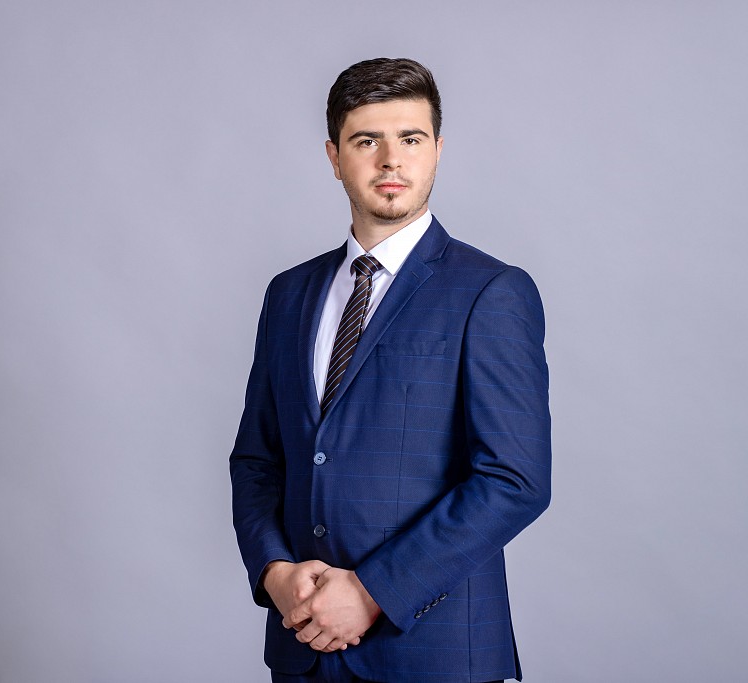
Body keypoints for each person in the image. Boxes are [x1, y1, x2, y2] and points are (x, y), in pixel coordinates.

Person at [229, 58, 551, 683]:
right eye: (365, 141)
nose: (390, 160)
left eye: (410, 138)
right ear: (333, 156)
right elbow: (258, 460)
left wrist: (373, 591)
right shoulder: (288, 294)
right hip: (303, 649)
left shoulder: (490, 292)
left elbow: (514, 479)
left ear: (437, 151)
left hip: (432, 653)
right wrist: (274, 572)